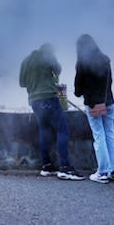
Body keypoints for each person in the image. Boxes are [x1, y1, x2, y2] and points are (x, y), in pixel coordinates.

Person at [19, 43, 84, 180]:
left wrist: (35, 83)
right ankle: (65, 168)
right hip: (49, 99)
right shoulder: (47, 56)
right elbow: (58, 69)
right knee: (63, 131)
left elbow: (22, 83)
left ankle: (46, 166)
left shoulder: (26, 60)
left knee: (44, 130)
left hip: (35, 101)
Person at [74, 34, 114, 183]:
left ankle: (103, 172)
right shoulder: (105, 60)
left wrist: (81, 93)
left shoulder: (82, 63)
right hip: (109, 101)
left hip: (94, 104)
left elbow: (78, 89)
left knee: (99, 136)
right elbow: (110, 81)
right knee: (110, 134)